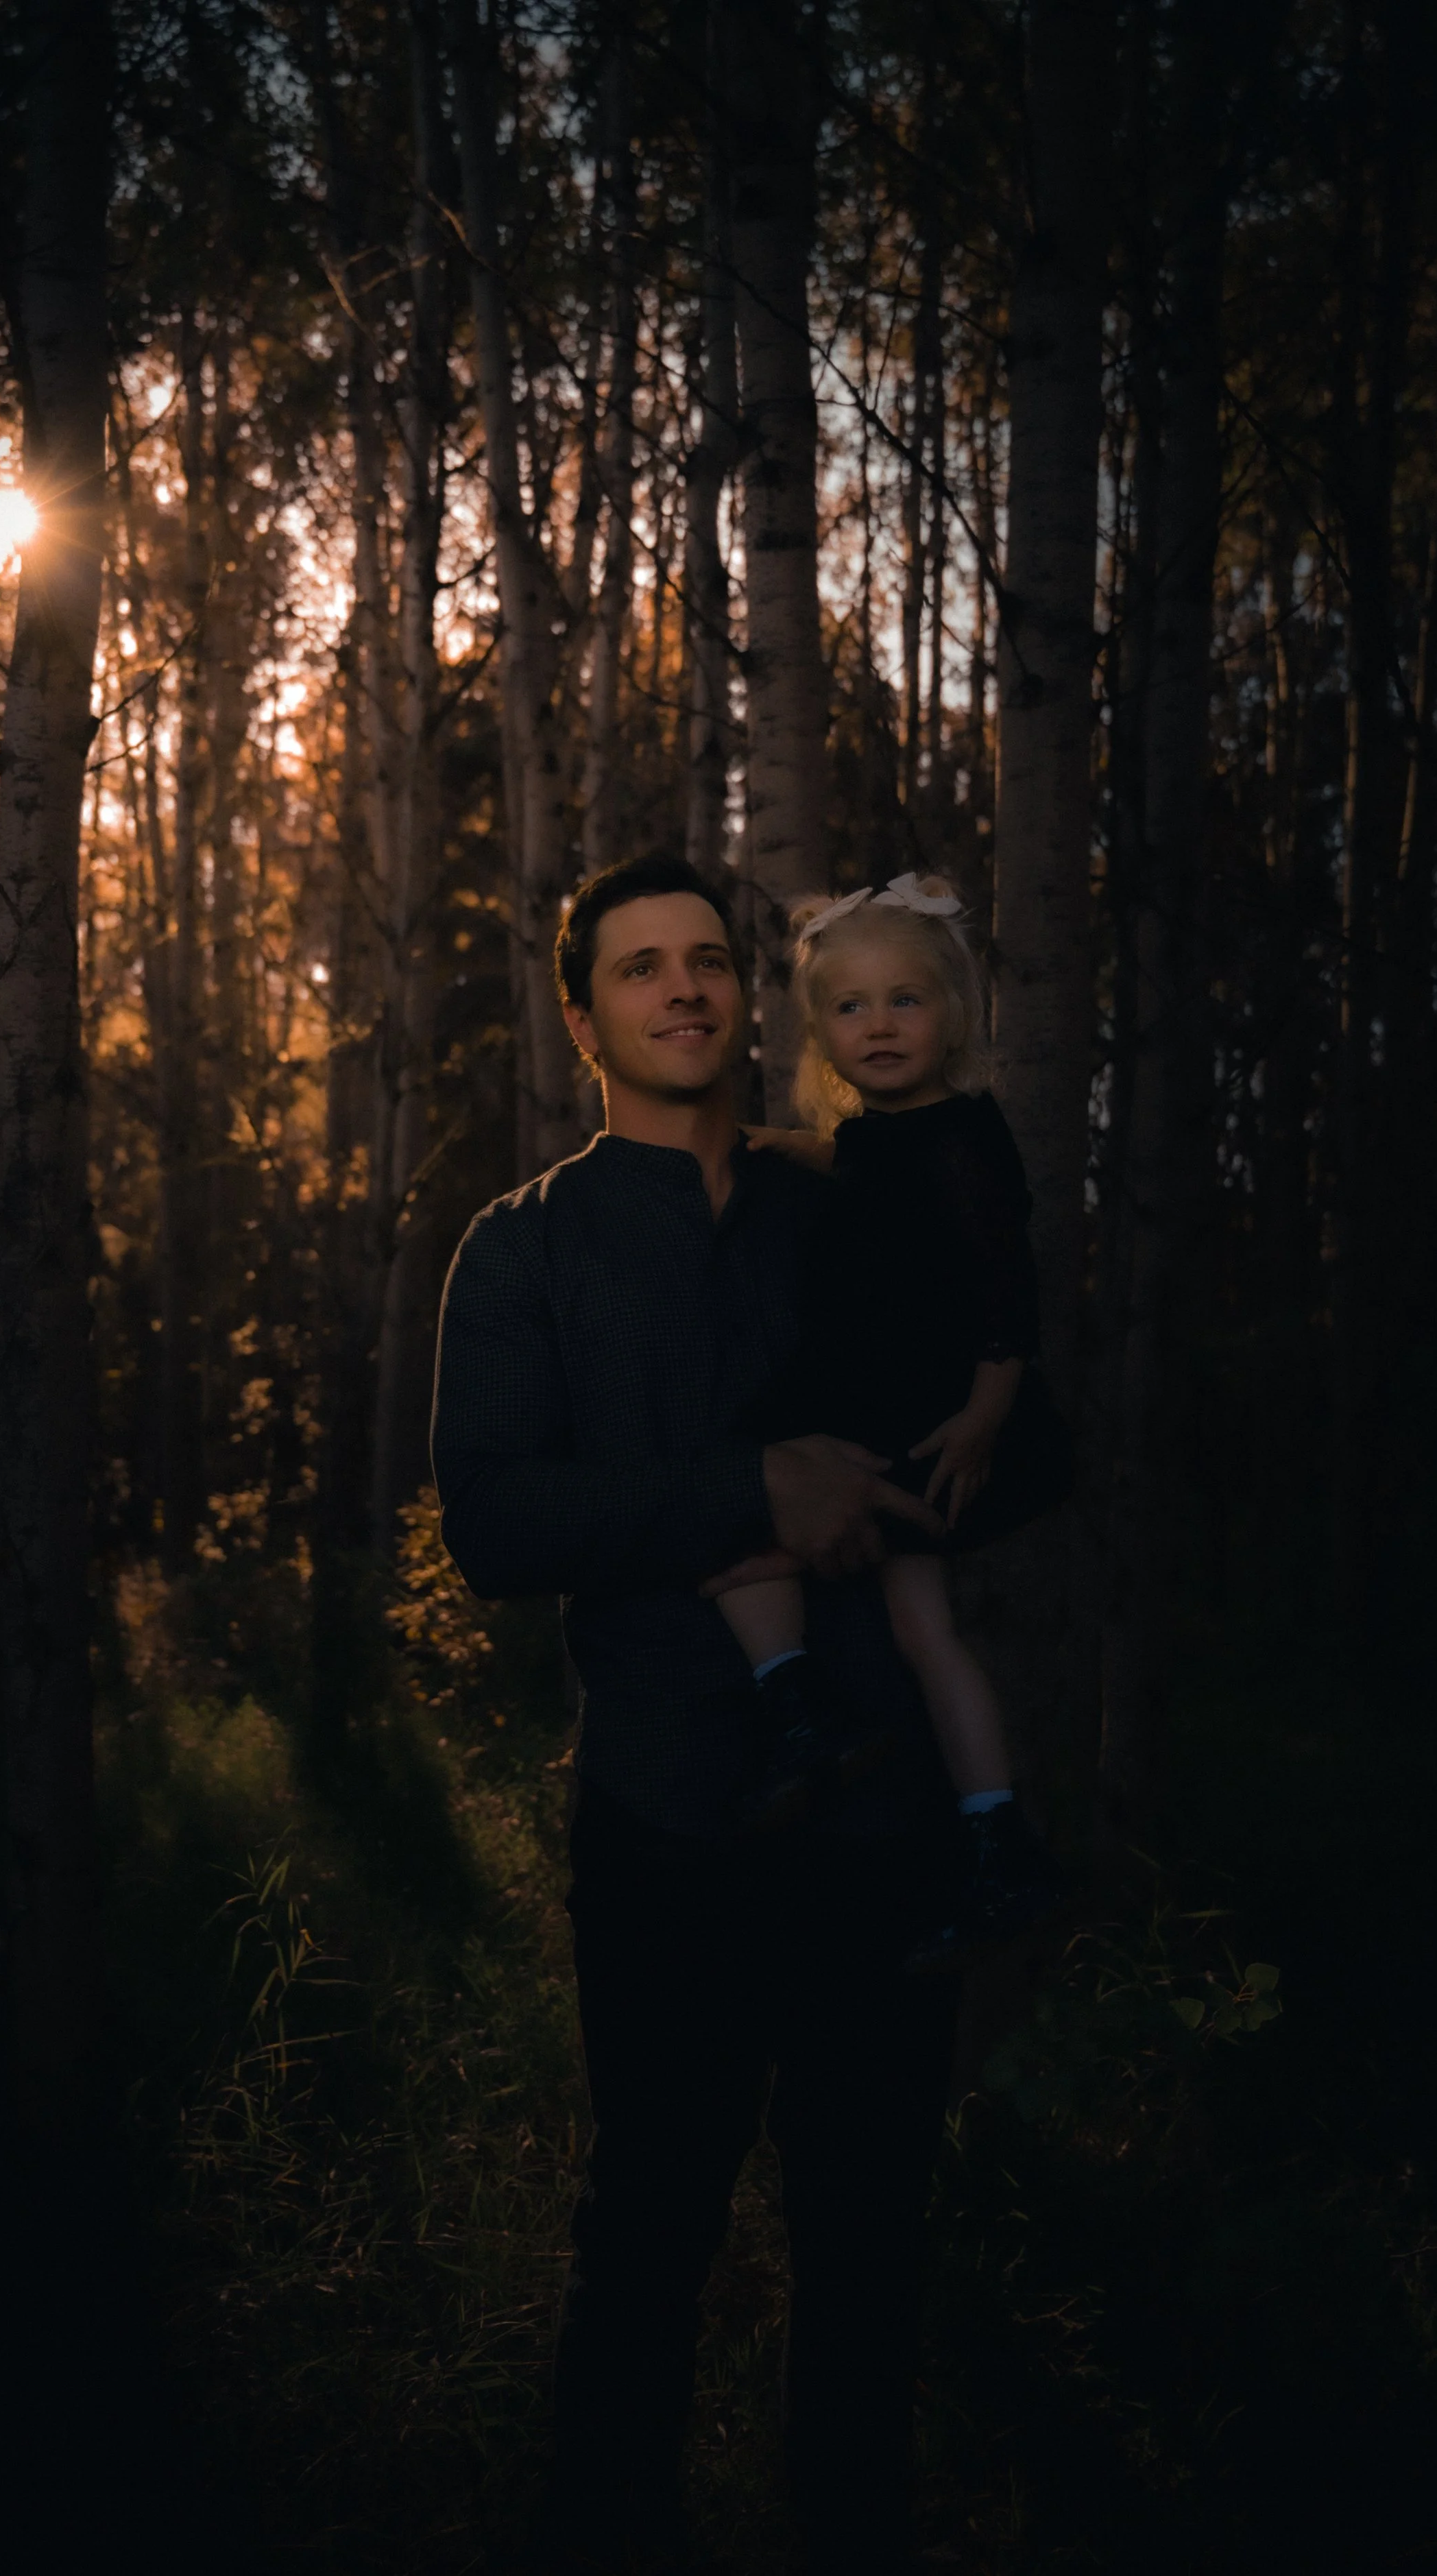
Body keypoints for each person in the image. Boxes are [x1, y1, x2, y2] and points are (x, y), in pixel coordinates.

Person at [431, 851, 961, 2575]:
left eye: (712, 962)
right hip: (665, 1817)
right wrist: (751, 1486)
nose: (684, 989)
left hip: (880, 1807)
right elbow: (499, 1522)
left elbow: (995, 1426)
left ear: (749, 1000)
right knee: (647, 2232)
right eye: (641, 968)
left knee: (870, 2238)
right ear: (582, 1017)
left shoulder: (849, 1207)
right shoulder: (520, 1251)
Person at [707, 872, 1071, 1968]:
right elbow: (860, 1168)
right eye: (852, 1007)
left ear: (952, 1015)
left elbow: (1010, 1292)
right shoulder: (874, 1134)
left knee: (753, 1542)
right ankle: (956, 1806)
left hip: (926, 1418)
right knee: (904, 1620)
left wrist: (984, 1419)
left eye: (905, 1002)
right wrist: (779, 1141)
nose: (879, 1025)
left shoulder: (967, 1137)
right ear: (823, 1030)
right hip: (868, 1398)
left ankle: (956, 1804)